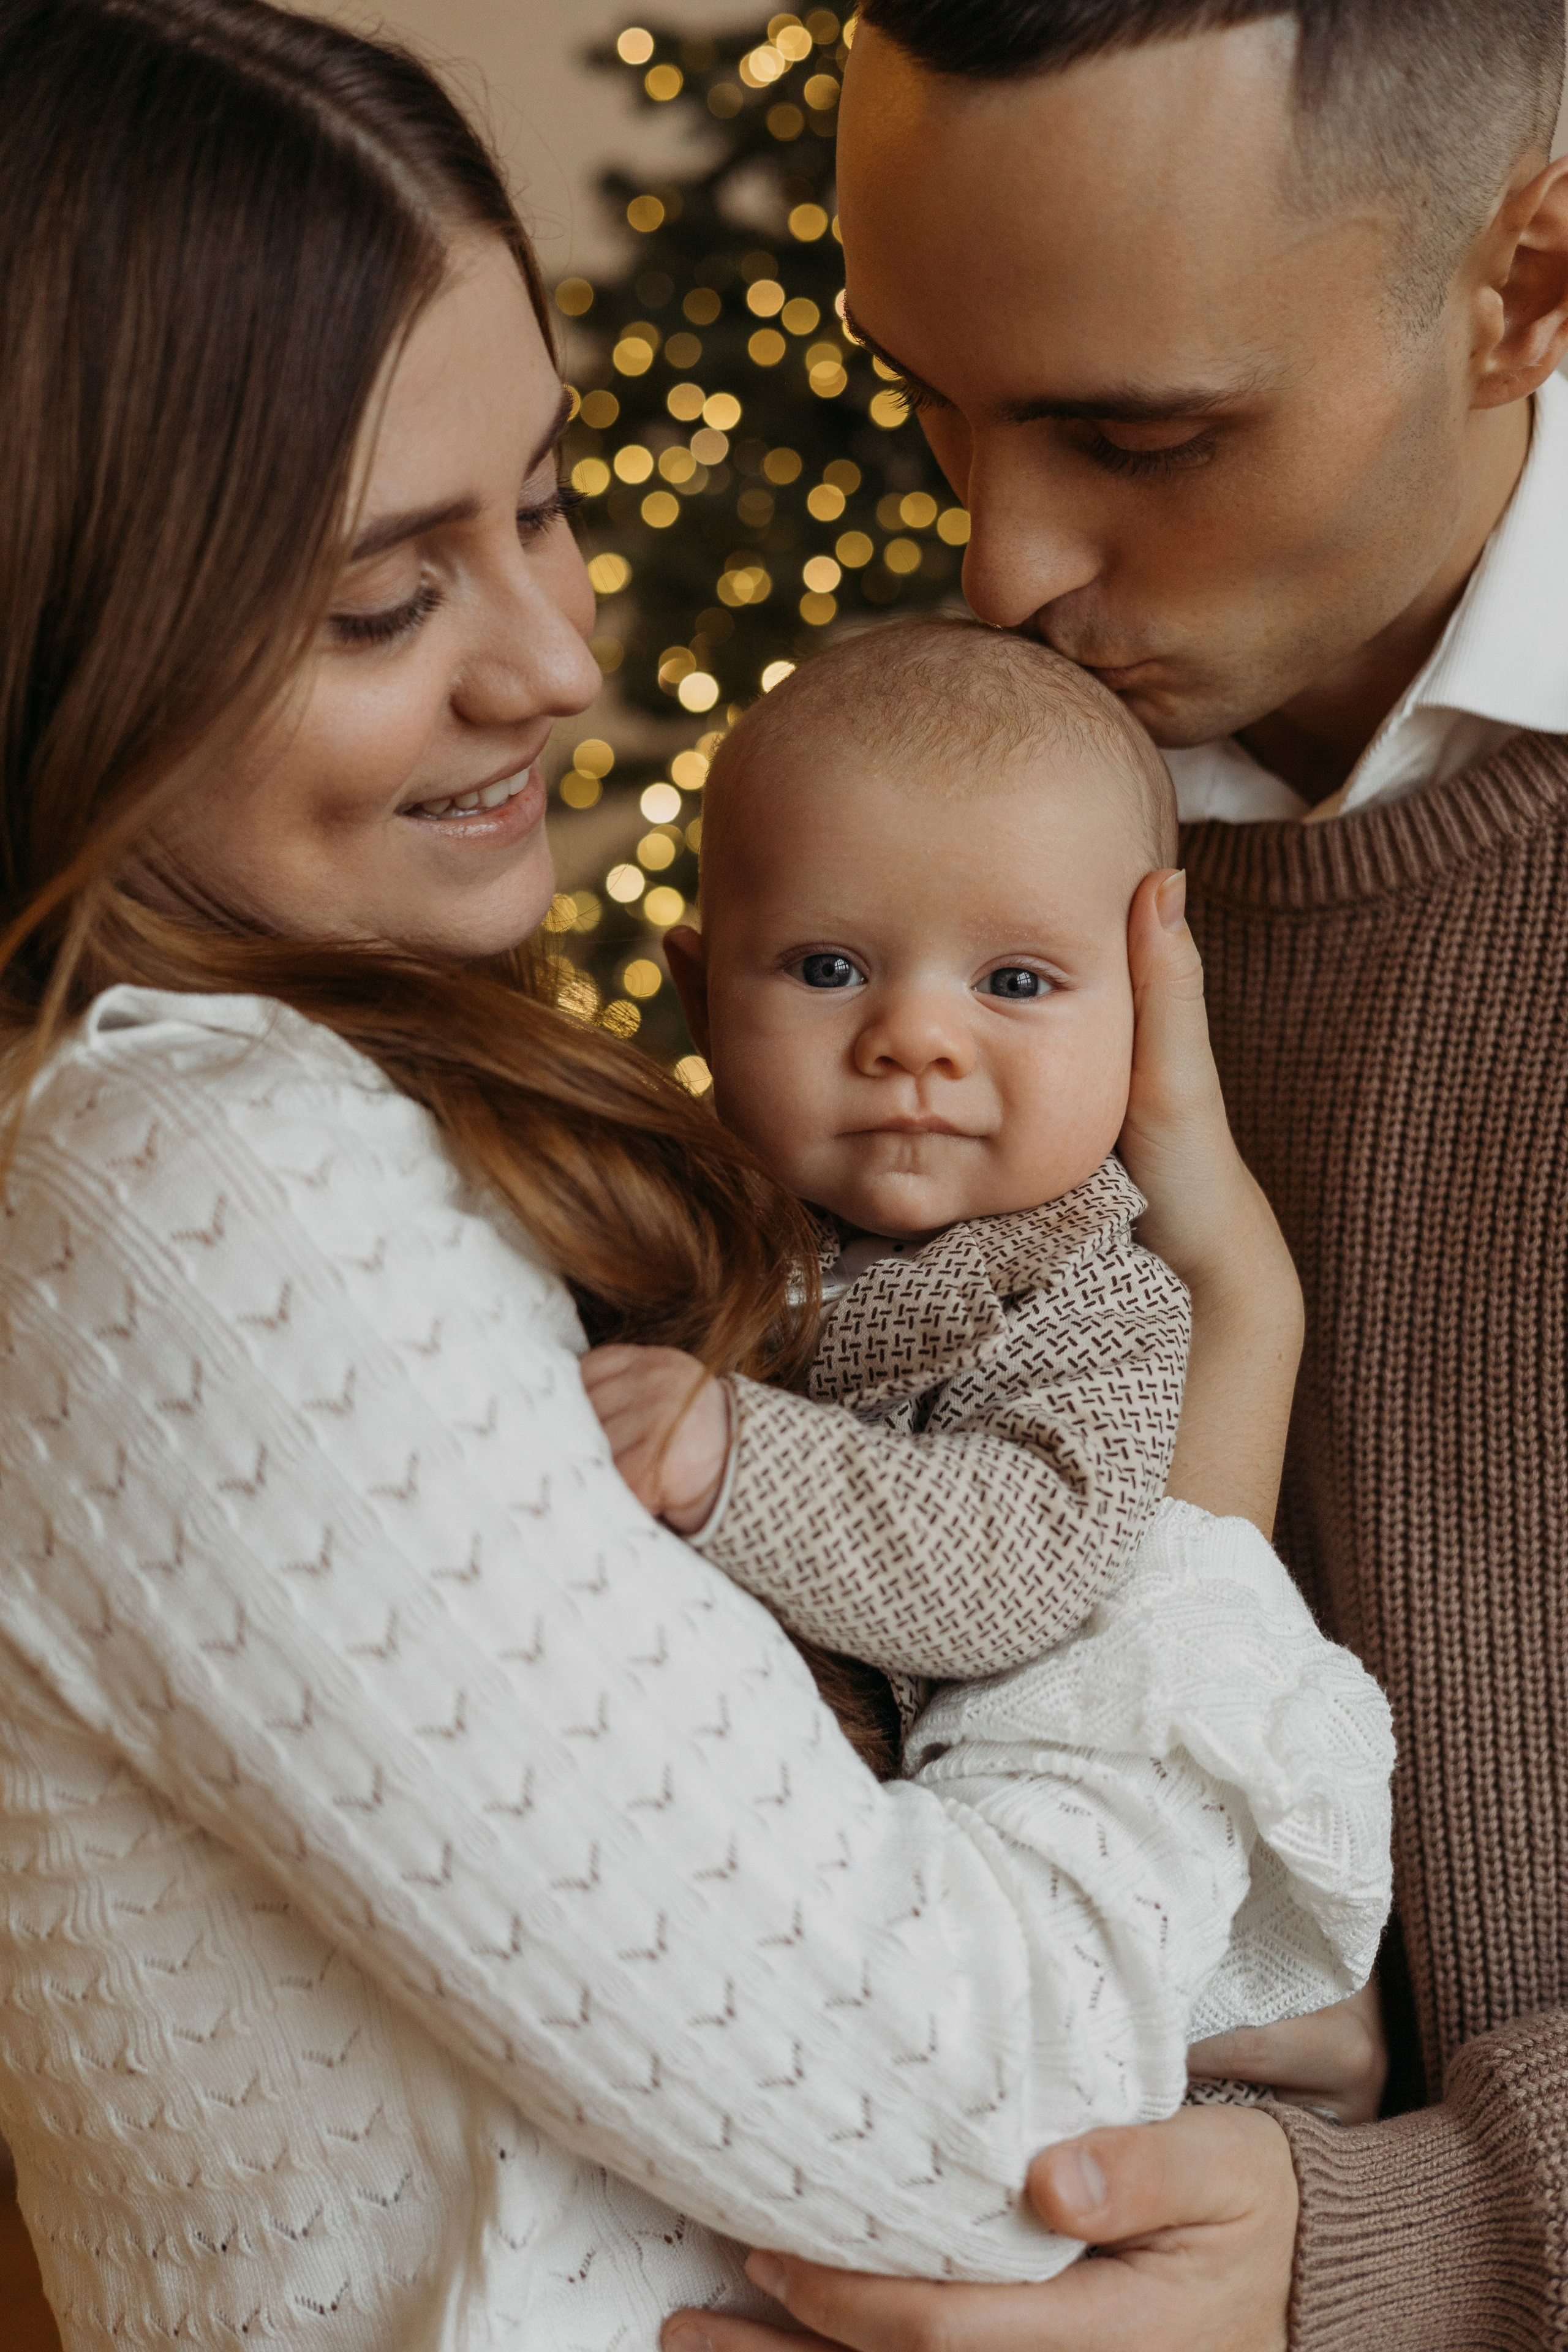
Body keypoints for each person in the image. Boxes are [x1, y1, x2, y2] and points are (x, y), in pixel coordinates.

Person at [0, 2, 1324, 2348]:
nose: (560, 660)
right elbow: (1016, 2115)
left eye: (541, 498)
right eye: (384, 601)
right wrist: (1225, 1433)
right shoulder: (193, 1199)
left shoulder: (341, 1128)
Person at [661, 2, 1568, 2348]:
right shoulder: (922, 860)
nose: (997, 561)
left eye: (1141, 433)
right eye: (929, 401)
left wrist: (1433, 2241)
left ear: (1535, 273)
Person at [578, 616, 1393, 2236]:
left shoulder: (1086, 1292)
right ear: (695, 989)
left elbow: (1020, 1566)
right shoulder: (685, 1230)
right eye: (826, 968)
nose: (916, 1039)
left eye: (1017, 983)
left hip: (1133, 1996)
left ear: (1147, 1020)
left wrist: (732, 1455)